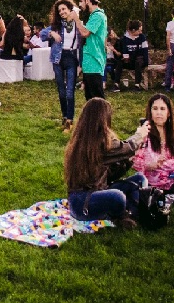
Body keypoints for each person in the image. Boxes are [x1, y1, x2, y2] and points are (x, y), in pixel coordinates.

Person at [64, 97, 150, 228]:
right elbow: (128, 146)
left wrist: (127, 161)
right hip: (82, 202)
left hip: (99, 189)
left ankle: (131, 213)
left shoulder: (92, 142)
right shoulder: (98, 143)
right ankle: (127, 213)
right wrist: (140, 134)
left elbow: (109, 175)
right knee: (117, 196)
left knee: (139, 179)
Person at [48, 0, 82, 131]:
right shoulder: (57, 24)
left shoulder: (77, 24)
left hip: (71, 57)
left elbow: (83, 44)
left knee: (70, 91)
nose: (62, 12)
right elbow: (44, 33)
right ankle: (64, 115)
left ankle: (70, 120)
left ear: (70, 9)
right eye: (59, 10)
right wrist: (52, 33)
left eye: (64, 9)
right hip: (57, 58)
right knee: (61, 90)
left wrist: (81, 64)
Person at [73, 0, 108, 101]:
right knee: (90, 97)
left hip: (94, 60)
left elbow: (85, 33)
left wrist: (76, 19)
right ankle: (92, 118)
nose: (80, 4)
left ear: (87, 0)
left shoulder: (98, 15)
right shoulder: (93, 16)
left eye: (80, 1)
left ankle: (102, 118)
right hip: (89, 61)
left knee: (97, 98)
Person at [116, 19, 149, 90]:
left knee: (138, 61)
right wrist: (125, 58)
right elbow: (124, 51)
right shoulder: (124, 39)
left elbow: (145, 50)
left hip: (139, 61)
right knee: (119, 63)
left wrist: (146, 62)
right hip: (129, 61)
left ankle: (137, 85)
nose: (141, 32)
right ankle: (116, 84)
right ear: (133, 30)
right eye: (139, 30)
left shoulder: (142, 37)